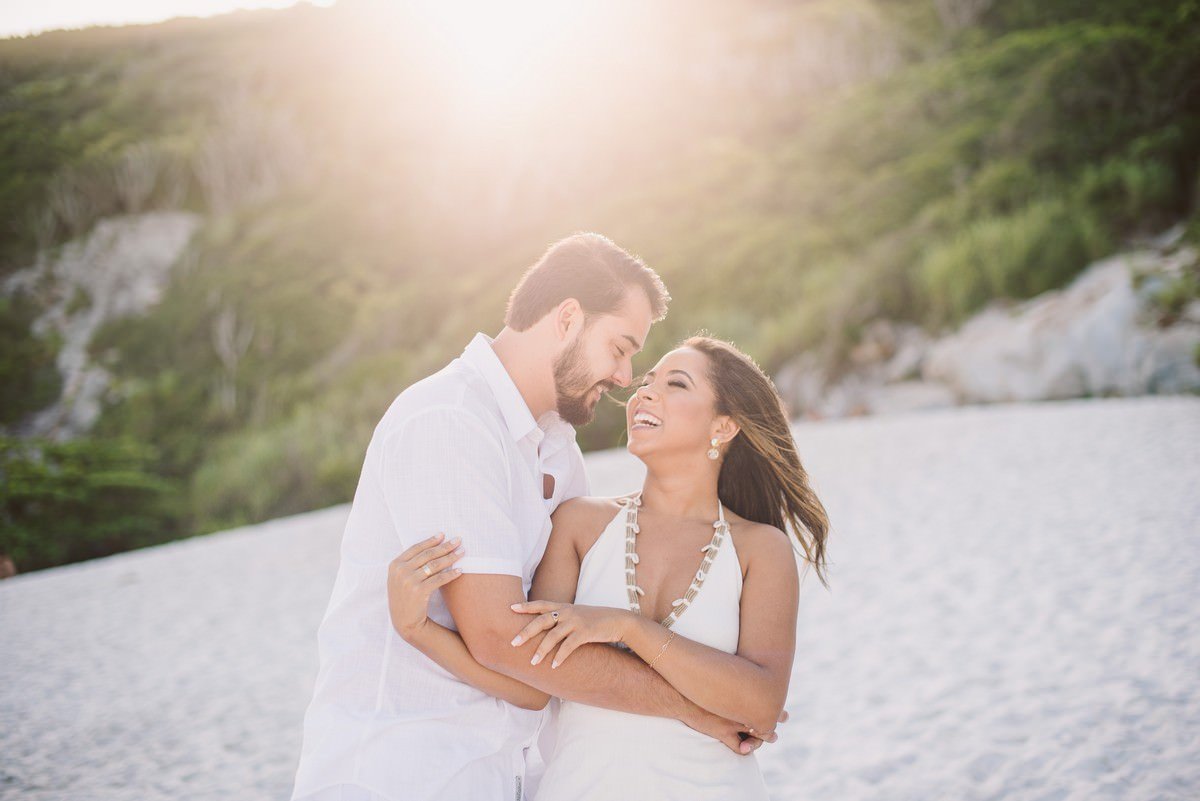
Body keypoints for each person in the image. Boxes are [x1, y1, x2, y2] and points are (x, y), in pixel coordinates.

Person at [290, 233, 776, 801]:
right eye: (620, 348)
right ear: (568, 317)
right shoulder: (451, 421)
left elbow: (553, 658)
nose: (625, 377)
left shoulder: (557, 451)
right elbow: (502, 637)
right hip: (405, 767)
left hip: (504, 775)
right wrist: (690, 708)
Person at [389, 334, 831, 799]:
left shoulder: (761, 549)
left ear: (723, 427)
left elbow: (761, 706)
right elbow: (530, 682)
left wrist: (627, 628)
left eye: (676, 384)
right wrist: (419, 631)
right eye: (647, 381)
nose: (643, 392)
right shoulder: (579, 524)